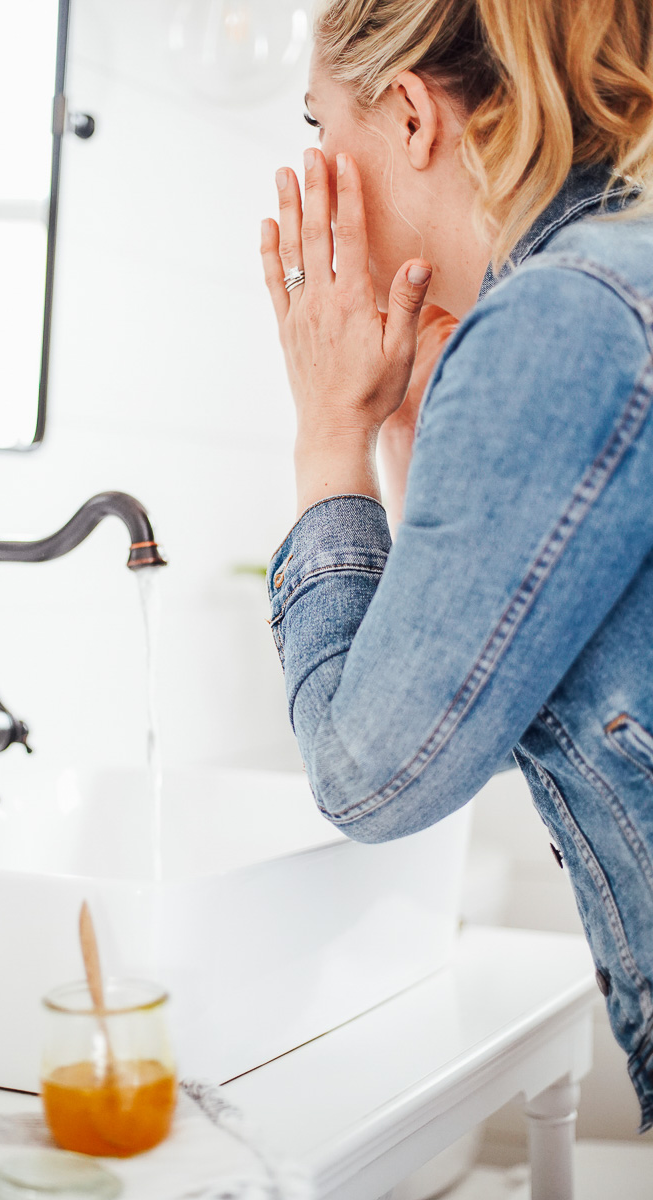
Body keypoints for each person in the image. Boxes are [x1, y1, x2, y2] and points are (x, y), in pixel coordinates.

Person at [259, 0, 653, 1131]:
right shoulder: (613, 278)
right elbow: (471, 714)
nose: (309, 172)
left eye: (316, 125)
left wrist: (328, 430)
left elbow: (370, 774)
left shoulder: (563, 315)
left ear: (408, 113)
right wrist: (411, 442)